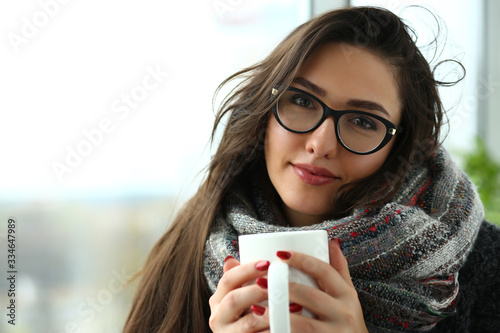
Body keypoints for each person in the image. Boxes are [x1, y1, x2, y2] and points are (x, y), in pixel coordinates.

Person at [123, 6, 500, 333]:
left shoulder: (487, 268)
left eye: (364, 122)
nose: (321, 144)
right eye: (302, 100)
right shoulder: (189, 248)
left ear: (398, 147)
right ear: (265, 111)